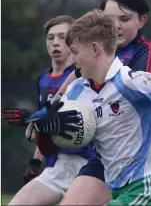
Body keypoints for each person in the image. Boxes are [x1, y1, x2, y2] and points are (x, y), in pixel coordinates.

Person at [27, 9, 151, 206]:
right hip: (118, 191)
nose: (72, 60)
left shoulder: (131, 81)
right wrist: (45, 130)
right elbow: (47, 148)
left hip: (147, 191)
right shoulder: (76, 92)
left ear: (95, 49)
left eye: (75, 52)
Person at [54, 0, 151, 206]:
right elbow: (74, 85)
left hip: (146, 158)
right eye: (109, 19)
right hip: (104, 157)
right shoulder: (91, 54)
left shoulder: (145, 57)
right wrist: (52, 113)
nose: (115, 26)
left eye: (124, 19)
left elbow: (136, 105)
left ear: (142, 21)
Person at [4, 15, 97, 205]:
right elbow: (45, 123)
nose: (55, 43)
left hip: (89, 165)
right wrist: (35, 162)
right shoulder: (43, 79)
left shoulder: (88, 76)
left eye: (62, 37)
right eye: (50, 37)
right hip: (58, 165)